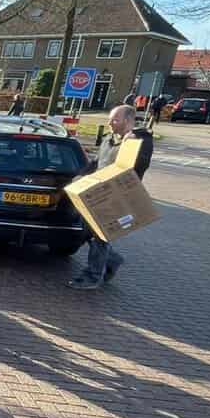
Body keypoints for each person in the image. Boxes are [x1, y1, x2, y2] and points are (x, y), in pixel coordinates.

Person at [68, 104, 153, 290]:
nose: (110, 123)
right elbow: (97, 163)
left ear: (128, 121)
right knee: (89, 234)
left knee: (101, 237)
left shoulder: (138, 142)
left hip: (116, 198)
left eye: (115, 119)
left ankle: (92, 277)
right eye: (110, 118)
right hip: (95, 195)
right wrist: (78, 179)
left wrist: (135, 138)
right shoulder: (109, 139)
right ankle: (113, 260)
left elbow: (138, 165)